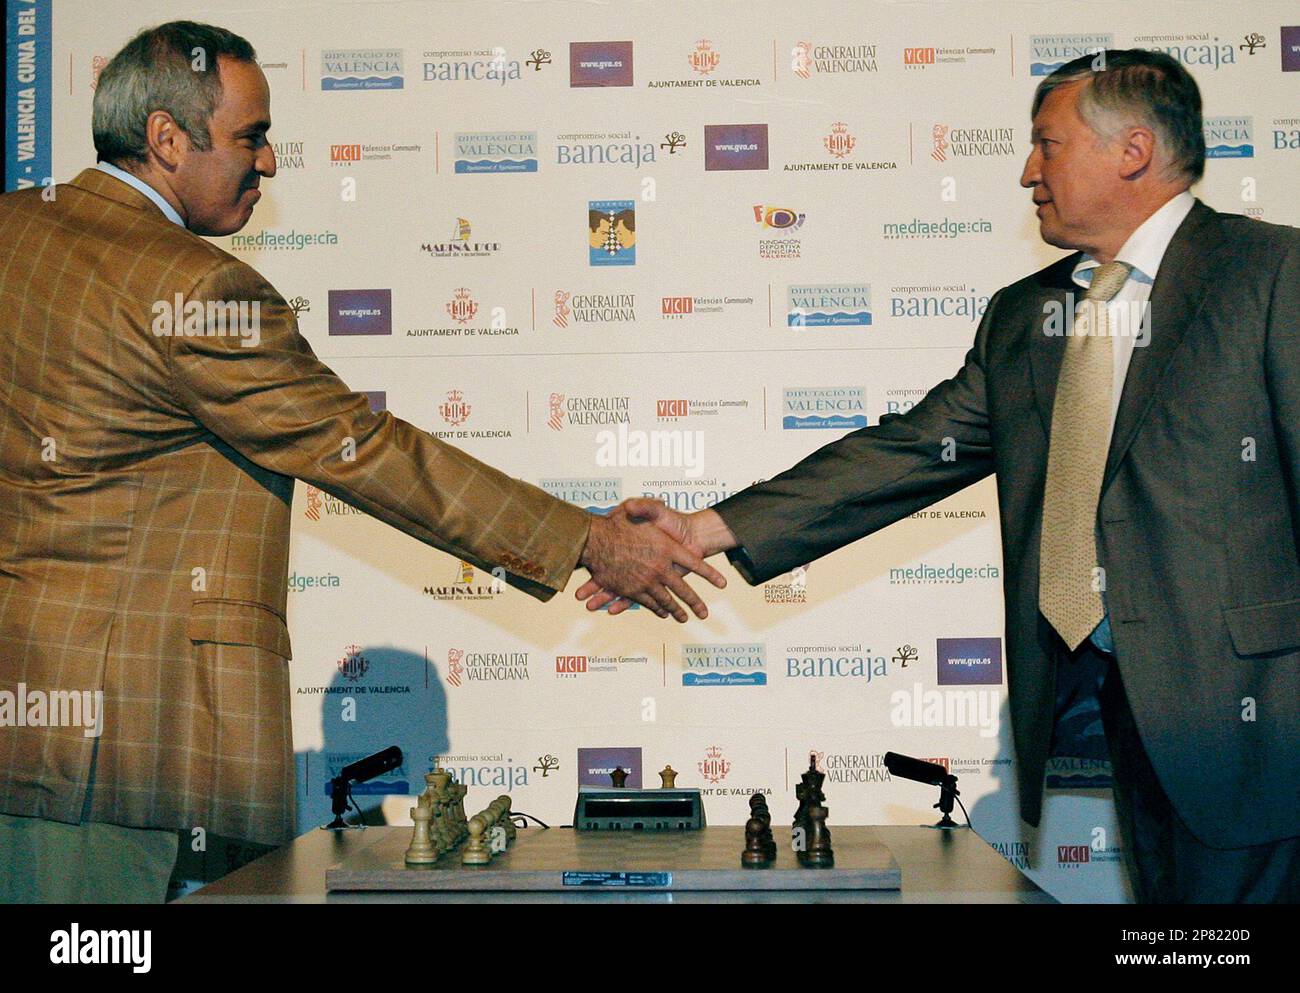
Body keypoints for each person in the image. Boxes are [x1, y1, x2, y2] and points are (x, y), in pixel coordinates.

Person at [0, 20, 723, 903]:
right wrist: (585, 538)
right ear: (164, 139)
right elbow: (363, 448)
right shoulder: (191, 287)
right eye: (250, 138)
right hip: (134, 759)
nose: (269, 164)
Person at [586, 49, 1300, 903]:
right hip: (1119, 716)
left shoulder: (1272, 274)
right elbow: (908, 452)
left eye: (1048, 144)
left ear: (1133, 151)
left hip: (1260, 721)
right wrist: (700, 532)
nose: (1028, 172)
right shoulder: (1024, 317)